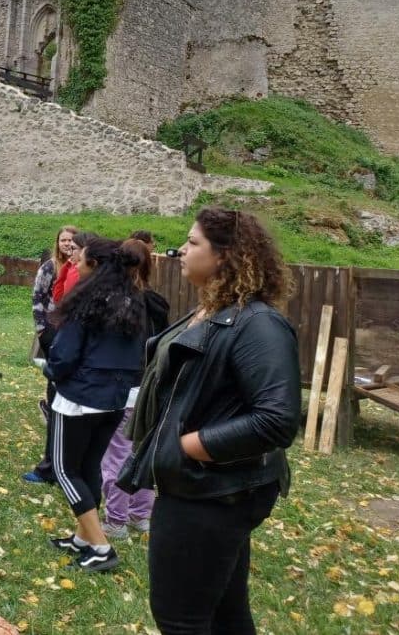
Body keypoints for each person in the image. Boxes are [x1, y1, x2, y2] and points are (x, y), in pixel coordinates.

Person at [120, 208, 300, 633]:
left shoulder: (258, 324)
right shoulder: (214, 310)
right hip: (202, 487)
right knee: (225, 612)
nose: (182, 250)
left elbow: (277, 419)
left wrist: (186, 448)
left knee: (180, 619)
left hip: (211, 491)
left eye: (194, 242)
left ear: (225, 255)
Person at [45, 237, 147, 573]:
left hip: (79, 399)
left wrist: (51, 369)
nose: (74, 263)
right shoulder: (133, 301)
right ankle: (83, 538)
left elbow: (64, 355)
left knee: (64, 469)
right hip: (115, 400)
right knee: (89, 466)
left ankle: (101, 547)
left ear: (96, 267)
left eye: (81, 260)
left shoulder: (87, 301)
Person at [99, 237, 170, 539]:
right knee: (141, 450)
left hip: (124, 387)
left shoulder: (115, 302)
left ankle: (116, 520)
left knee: (117, 454)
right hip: (148, 388)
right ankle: (141, 514)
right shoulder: (155, 303)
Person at [23, 226, 81, 484]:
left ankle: (59, 465)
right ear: (58, 243)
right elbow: (38, 296)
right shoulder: (51, 267)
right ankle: (53, 463)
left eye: (72, 240)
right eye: (64, 240)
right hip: (52, 331)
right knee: (56, 391)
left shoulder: (80, 269)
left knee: (63, 397)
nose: (67, 244)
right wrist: (42, 329)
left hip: (72, 335)